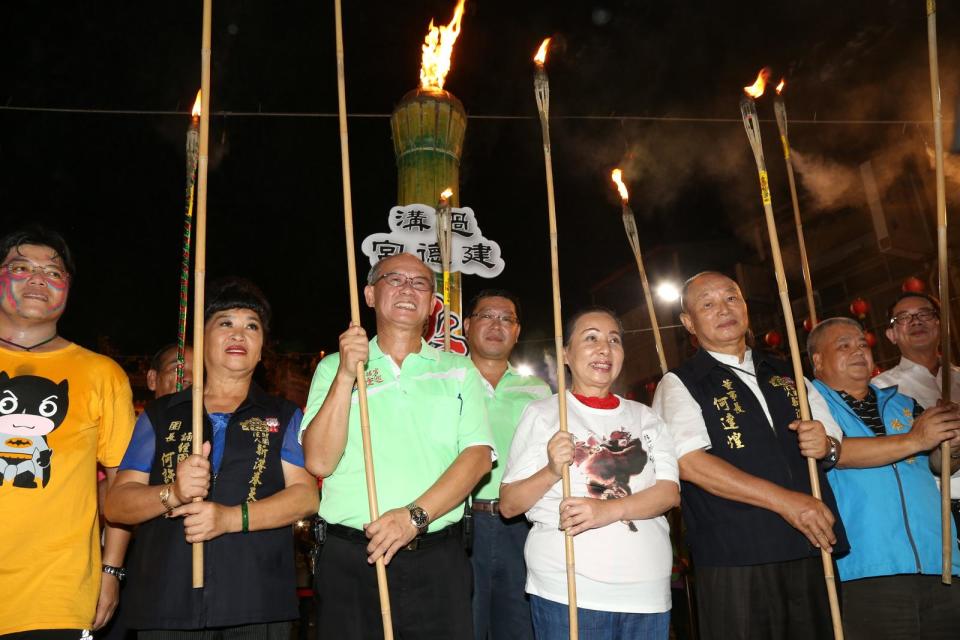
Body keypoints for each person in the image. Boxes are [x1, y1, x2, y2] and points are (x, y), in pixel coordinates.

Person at [105, 277, 318, 636]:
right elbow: (117, 505)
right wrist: (173, 491)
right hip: (166, 599)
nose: (239, 334)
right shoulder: (161, 415)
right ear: (202, 341)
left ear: (262, 345)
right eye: (225, 324)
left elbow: (306, 496)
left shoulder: (282, 414)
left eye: (251, 326)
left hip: (256, 601)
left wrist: (230, 519)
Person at [301, 252, 495, 640]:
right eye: (395, 279)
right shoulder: (333, 367)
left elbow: (477, 458)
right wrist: (345, 376)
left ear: (432, 304)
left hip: (438, 557)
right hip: (351, 557)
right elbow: (319, 461)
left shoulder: (458, 369)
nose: (408, 288)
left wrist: (413, 517)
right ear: (370, 295)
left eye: (420, 282)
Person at [652, 271, 848, 640]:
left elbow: (835, 444)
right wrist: (787, 502)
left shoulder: (787, 372)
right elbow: (690, 463)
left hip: (812, 545)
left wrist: (826, 446)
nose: (723, 309)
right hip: (737, 555)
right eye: (707, 304)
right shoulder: (681, 381)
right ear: (688, 323)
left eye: (731, 298)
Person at [500, 307, 680, 640]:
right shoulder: (544, 413)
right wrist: (553, 470)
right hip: (568, 589)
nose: (604, 349)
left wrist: (606, 511)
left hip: (647, 590)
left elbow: (669, 493)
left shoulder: (646, 417)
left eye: (614, 340)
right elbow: (509, 505)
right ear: (566, 354)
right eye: (591, 338)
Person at [0, 226, 135, 638]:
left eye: (54, 272)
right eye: (21, 267)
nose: (39, 278)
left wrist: (111, 571)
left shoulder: (101, 374)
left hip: (54, 596)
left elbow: (122, 483)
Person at [809, 316, 960, 638]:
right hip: (866, 567)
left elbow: (938, 466)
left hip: (940, 559)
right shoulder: (809, 404)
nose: (858, 351)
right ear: (818, 360)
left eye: (863, 344)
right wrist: (917, 439)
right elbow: (836, 454)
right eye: (844, 346)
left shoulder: (903, 403)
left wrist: (953, 446)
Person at [463, 289, 550, 640]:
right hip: (461, 524)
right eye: (487, 315)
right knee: (465, 622)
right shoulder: (447, 380)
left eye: (506, 319)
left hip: (523, 525)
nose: (496, 325)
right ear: (467, 325)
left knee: (520, 624)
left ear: (517, 331)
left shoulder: (539, 391)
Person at [873, 292, 960, 534]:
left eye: (925, 314)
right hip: (936, 511)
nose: (916, 321)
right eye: (903, 317)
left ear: (940, 325)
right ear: (891, 335)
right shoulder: (880, 389)